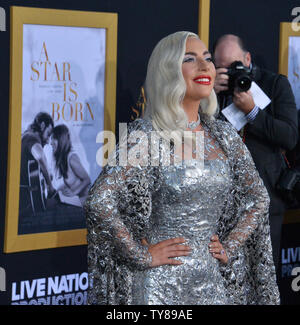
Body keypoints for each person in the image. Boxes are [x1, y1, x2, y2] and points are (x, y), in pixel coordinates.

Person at [85, 31, 279, 305]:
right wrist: (141, 255)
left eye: (208, 59)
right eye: (190, 59)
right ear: (168, 71)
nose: (204, 67)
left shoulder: (223, 135)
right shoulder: (146, 136)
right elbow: (99, 201)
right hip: (159, 289)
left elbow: (259, 198)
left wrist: (230, 245)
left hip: (210, 283)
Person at [213, 34, 298, 279]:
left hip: (265, 201)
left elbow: (290, 136)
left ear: (248, 59)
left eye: (234, 66)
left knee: (262, 278)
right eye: (221, 67)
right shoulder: (210, 92)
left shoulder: (275, 84)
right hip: (221, 205)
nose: (228, 73)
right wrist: (209, 97)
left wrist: (252, 112)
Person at [19, 112, 55, 216]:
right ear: (42, 125)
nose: (48, 141)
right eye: (48, 134)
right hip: (25, 202)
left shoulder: (24, 136)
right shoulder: (32, 138)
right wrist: (50, 186)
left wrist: (45, 175)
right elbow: (40, 157)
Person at [50, 124, 91, 206]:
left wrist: (73, 192)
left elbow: (87, 180)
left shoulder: (71, 158)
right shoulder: (63, 159)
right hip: (75, 200)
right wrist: (58, 190)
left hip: (85, 200)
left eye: (53, 138)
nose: (50, 143)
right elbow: (72, 182)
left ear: (61, 139)